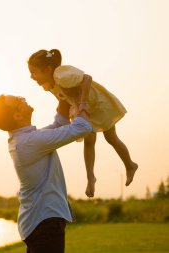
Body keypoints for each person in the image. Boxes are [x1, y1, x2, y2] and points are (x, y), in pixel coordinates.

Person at [28, 49, 138, 197]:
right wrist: (64, 105)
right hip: (80, 107)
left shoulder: (61, 75)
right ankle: (90, 178)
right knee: (89, 140)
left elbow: (87, 78)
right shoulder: (48, 84)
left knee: (111, 137)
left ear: (47, 70)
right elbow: (61, 95)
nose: (31, 76)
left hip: (96, 103)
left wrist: (83, 101)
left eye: (34, 72)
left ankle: (130, 165)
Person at [0, 94, 93, 253]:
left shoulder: (25, 139)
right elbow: (83, 127)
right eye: (18, 100)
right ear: (17, 115)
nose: (23, 98)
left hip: (39, 221)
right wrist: (83, 100)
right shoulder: (29, 142)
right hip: (45, 222)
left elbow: (59, 124)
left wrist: (64, 98)